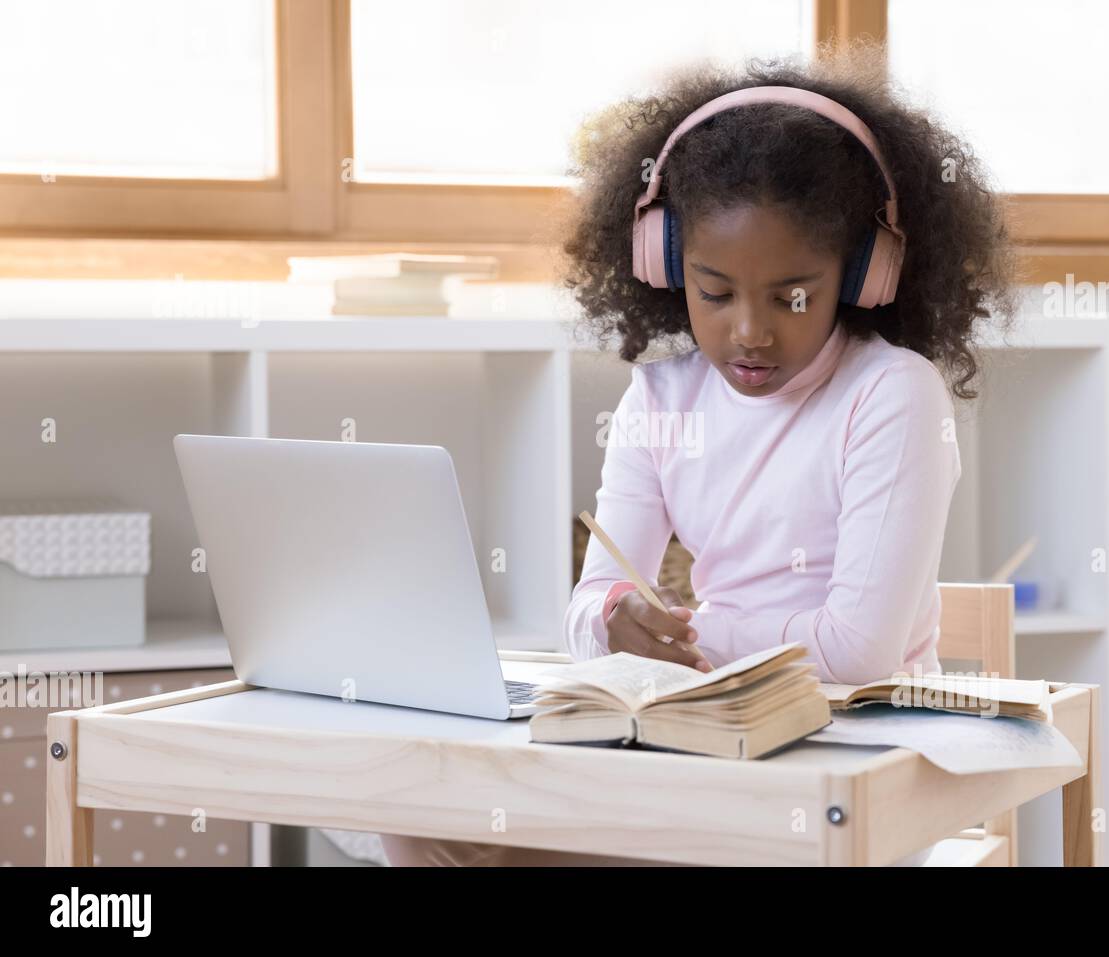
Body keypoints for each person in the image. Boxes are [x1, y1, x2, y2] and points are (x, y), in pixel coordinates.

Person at [382, 39, 1018, 868]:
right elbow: (589, 608)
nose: (749, 331)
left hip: (842, 763)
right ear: (666, 264)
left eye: (793, 295)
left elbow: (854, 653)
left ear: (864, 272)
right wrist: (615, 618)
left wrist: (687, 633)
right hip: (700, 740)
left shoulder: (891, 394)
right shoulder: (661, 400)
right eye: (714, 292)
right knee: (419, 814)